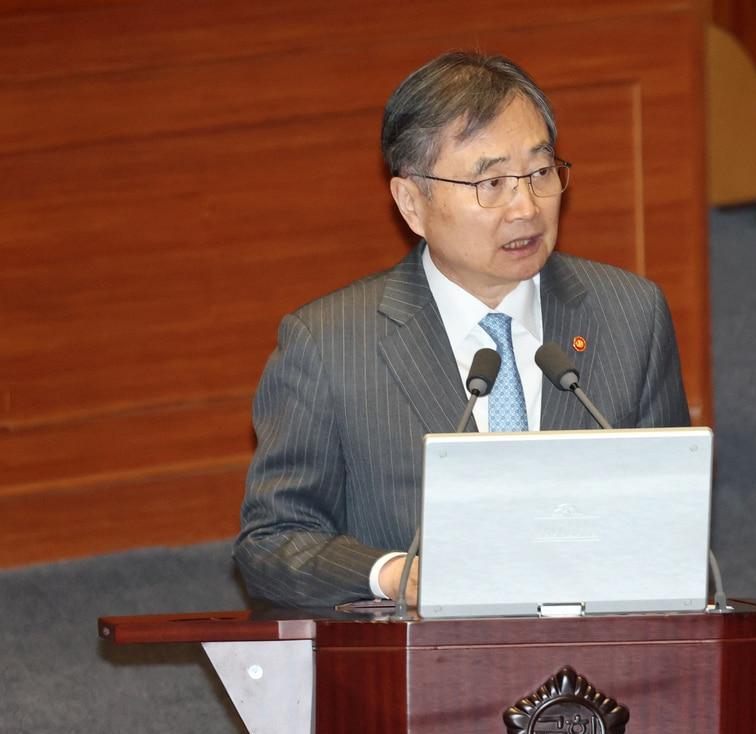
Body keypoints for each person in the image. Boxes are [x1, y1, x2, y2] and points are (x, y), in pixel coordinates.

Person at [234, 52, 690, 608]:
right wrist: (392, 575)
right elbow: (273, 544)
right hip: (418, 668)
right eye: (490, 182)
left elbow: (673, 525)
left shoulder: (630, 315)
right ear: (412, 203)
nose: (525, 206)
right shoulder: (329, 344)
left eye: (540, 172)